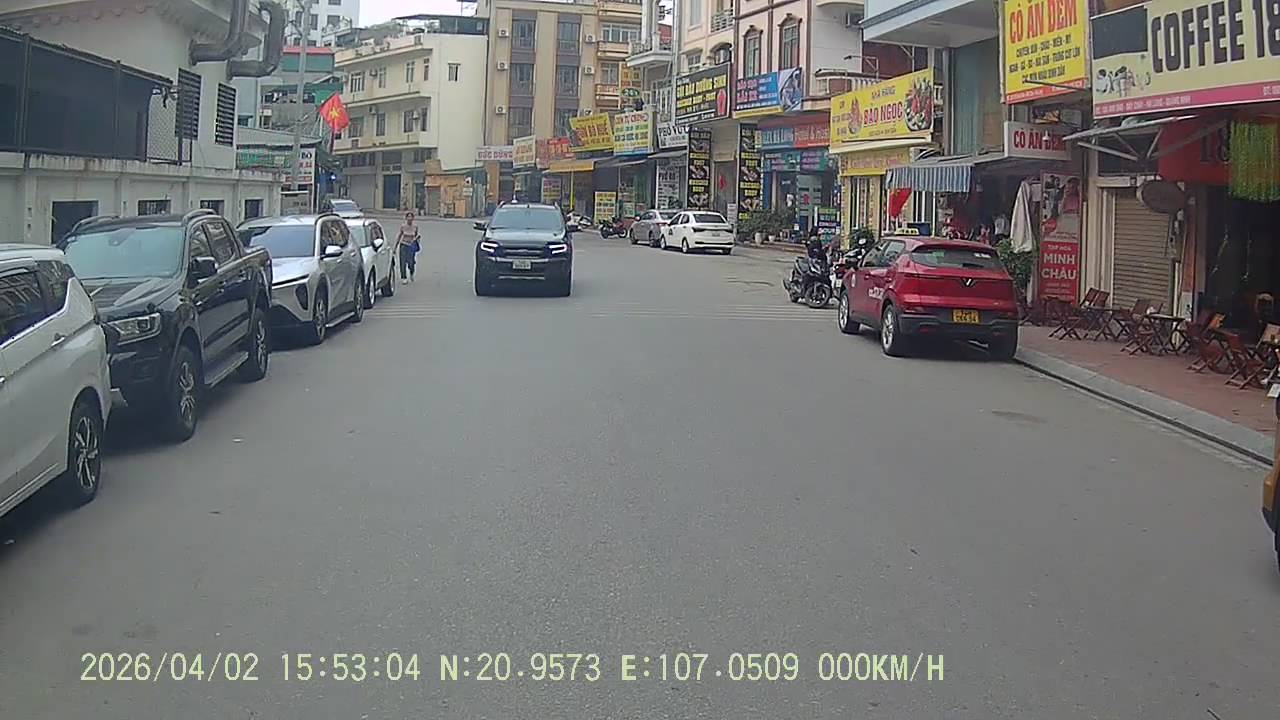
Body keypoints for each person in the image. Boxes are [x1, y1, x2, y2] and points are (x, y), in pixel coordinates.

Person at [396, 212, 420, 284]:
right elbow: (399, 236)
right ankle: (404, 277)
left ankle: (411, 272)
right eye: (408, 217)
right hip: (403, 245)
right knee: (402, 262)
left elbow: (416, 236)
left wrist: (416, 241)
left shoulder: (415, 226)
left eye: (411, 217)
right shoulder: (403, 226)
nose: (409, 218)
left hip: (411, 246)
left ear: (413, 218)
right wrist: (395, 247)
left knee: (411, 262)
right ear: (406, 218)